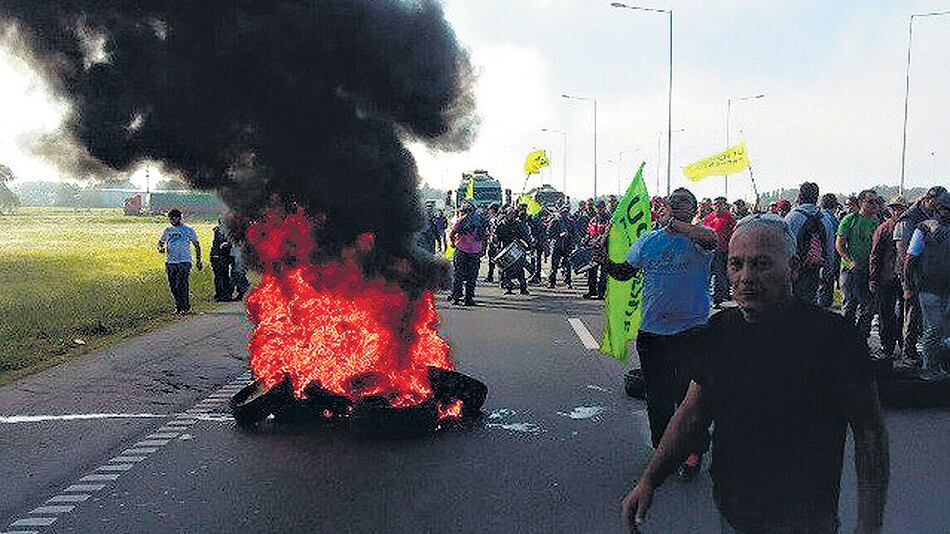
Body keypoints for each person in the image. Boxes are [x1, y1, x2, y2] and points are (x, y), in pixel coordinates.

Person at [621, 214, 889, 534]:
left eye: (762, 264)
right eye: (736, 264)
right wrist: (649, 480)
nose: (746, 277)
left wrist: (869, 524)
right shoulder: (719, 332)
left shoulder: (835, 337)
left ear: (793, 268)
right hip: (734, 512)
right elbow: (692, 415)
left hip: (806, 519)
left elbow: (870, 434)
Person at [594, 187, 716, 480]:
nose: (679, 207)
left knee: (689, 397)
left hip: (692, 332)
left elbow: (711, 240)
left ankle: (693, 452)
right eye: (674, 203)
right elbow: (625, 272)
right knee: (658, 398)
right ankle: (664, 450)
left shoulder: (700, 240)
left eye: (685, 204)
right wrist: (604, 260)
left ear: (693, 211)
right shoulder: (650, 240)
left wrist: (674, 224)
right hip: (653, 333)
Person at [894, 185, 948, 365]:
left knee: (931, 323)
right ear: (929, 200)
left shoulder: (933, 221)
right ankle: (909, 353)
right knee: (914, 316)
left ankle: (927, 357)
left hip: (933, 278)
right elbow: (905, 252)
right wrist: (909, 283)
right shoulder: (912, 220)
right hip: (916, 277)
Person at [836, 189, 881, 339]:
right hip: (851, 270)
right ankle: (846, 339)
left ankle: (861, 339)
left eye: (876, 202)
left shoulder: (876, 221)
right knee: (850, 305)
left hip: (869, 270)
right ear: (861, 202)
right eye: (871, 201)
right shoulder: (850, 219)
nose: (874, 205)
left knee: (868, 307)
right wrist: (850, 262)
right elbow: (839, 245)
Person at [869, 196, 908, 359]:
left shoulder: (911, 227)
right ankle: (887, 345)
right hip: (886, 276)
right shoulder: (884, 229)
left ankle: (904, 345)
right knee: (886, 312)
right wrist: (873, 278)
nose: (897, 211)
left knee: (904, 313)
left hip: (906, 277)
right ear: (891, 210)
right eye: (895, 208)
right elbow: (875, 255)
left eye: (901, 208)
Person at [785, 182, 837, 304]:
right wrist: (828, 271)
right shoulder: (824, 219)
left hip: (794, 269)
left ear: (800, 196)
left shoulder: (791, 217)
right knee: (810, 303)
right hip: (815, 268)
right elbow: (829, 250)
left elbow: (784, 246)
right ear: (816, 198)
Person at [157, 209, 202, 314]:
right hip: (171, 262)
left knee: (181, 284)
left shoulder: (188, 230)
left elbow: (197, 245)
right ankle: (178, 306)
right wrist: (160, 248)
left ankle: (185, 307)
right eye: (170, 219)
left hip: (184, 261)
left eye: (173, 218)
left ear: (179, 218)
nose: (172, 221)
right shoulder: (168, 230)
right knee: (173, 286)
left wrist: (198, 260)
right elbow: (160, 243)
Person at [448, 202, 487, 306]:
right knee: (472, 276)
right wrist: (483, 250)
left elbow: (452, 234)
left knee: (458, 275)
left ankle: (456, 297)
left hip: (461, 250)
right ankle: (468, 298)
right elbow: (485, 237)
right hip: (475, 252)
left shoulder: (460, 220)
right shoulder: (481, 220)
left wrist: (453, 243)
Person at [703, 196, 736, 307]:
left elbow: (733, 235)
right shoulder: (709, 218)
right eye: (715, 204)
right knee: (707, 275)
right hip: (708, 250)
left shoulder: (729, 218)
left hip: (722, 251)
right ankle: (706, 298)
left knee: (719, 275)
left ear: (724, 205)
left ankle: (719, 299)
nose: (717, 206)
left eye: (720, 204)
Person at [494, 207, 531, 295]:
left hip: (516, 248)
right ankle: (508, 288)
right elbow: (496, 239)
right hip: (505, 248)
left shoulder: (518, 224)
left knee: (520, 269)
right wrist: (494, 238)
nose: (512, 215)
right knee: (506, 269)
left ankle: (523, 288)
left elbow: (524, 236)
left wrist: (527, 245)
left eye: (513, 213)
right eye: (510, 213)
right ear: (506, 214)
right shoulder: (501, 225)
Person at [817, 193, 842, 308]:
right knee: (825, 292)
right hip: (829, 258)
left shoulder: (818, 216)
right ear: (834, 206)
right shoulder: (832, 220)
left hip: (815, 258)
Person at [583, 201, 610, 299]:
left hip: (605, 249)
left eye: (601, 207)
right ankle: (592, 291)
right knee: (592, 271)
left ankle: (601, 293)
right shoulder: (593, 220)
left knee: (603, 273)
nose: (599, 209)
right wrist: (585, 240)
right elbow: (589, 233)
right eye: (598, 207)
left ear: (604, 207)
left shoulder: (609, 219)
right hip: (594, 249)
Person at [546, 205, 574, 288]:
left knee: (567, 265)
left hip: (566, 246)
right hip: (556, 246)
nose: (564, 214)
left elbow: (574, 234)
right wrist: (559, 235)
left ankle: (568, 282)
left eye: (566, 212)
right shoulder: (554, 221)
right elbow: (549, 233)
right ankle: (551, 282)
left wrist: (569, 237)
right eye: (563, 212)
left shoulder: (570, 222)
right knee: (554, 265)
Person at [210, 218, 234, 302]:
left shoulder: (220, 230)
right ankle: (222, 295)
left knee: (222, 276)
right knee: (221, 276)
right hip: (219, 257)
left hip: (220, 257)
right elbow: (223, 243)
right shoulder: (220, 231)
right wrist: (228, 243)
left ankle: (223, 294)